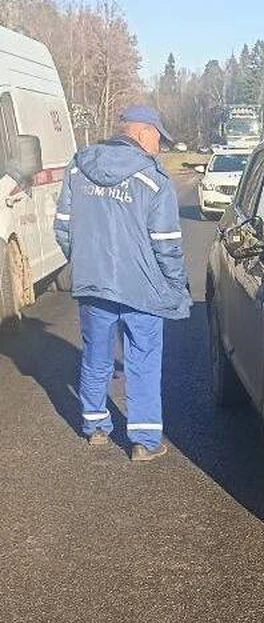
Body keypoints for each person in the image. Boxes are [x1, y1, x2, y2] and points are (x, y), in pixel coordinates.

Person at [54, 105, 191, 461]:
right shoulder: (153, 179)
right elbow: (167, 244)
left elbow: (64, 227)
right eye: (158, 138)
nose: (159, 146)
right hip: (142, 289)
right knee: (142, 360)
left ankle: (96, 426)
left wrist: (84, 261)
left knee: (96, 355)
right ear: (143, 133)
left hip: (93, 284)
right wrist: (176, 286)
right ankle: (144, 442)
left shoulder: (78, 168)